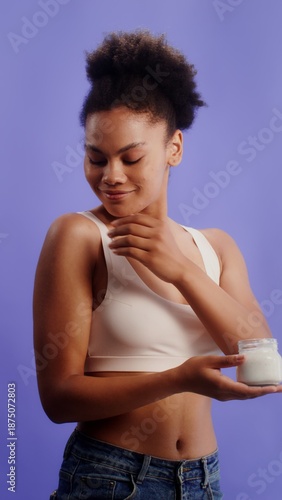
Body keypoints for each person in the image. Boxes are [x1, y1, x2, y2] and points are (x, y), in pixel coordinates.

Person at [33, 30, 281, 500]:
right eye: (95, 158)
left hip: (204, 481)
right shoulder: (79, 236)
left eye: (131, 157)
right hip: (109, 477)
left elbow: (261, 361)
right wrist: (177, 378)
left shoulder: (216, 247)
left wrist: (182, 271)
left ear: (174, 148)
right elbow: (58, 397)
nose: (111, 177)